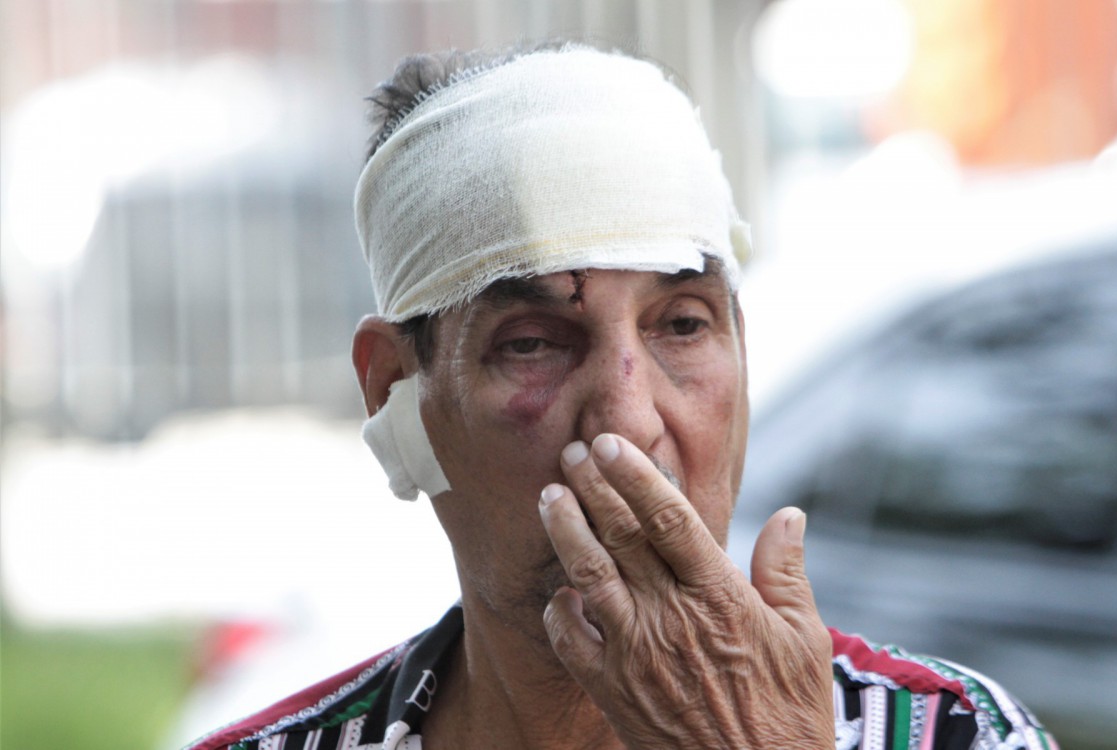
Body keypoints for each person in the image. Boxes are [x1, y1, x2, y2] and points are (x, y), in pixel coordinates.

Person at [185, 42, 1057, 750]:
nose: (632, 422)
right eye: (530, 344)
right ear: (392, 389)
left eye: (681, 326)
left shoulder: (959, 735)